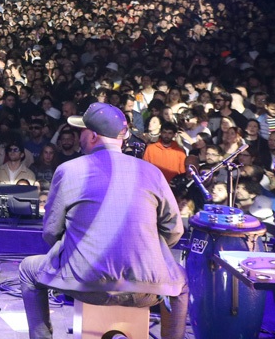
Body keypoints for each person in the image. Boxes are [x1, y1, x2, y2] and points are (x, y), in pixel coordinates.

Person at [18, 102, 188, 339]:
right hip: (145, 290)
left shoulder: (69, 170)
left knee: (28, 270)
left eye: (82, 131)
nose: (79, 136)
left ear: (93, 136)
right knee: (181, 282)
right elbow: (174, 230)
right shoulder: (152, 172)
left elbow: (50, 232)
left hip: (84, 284)